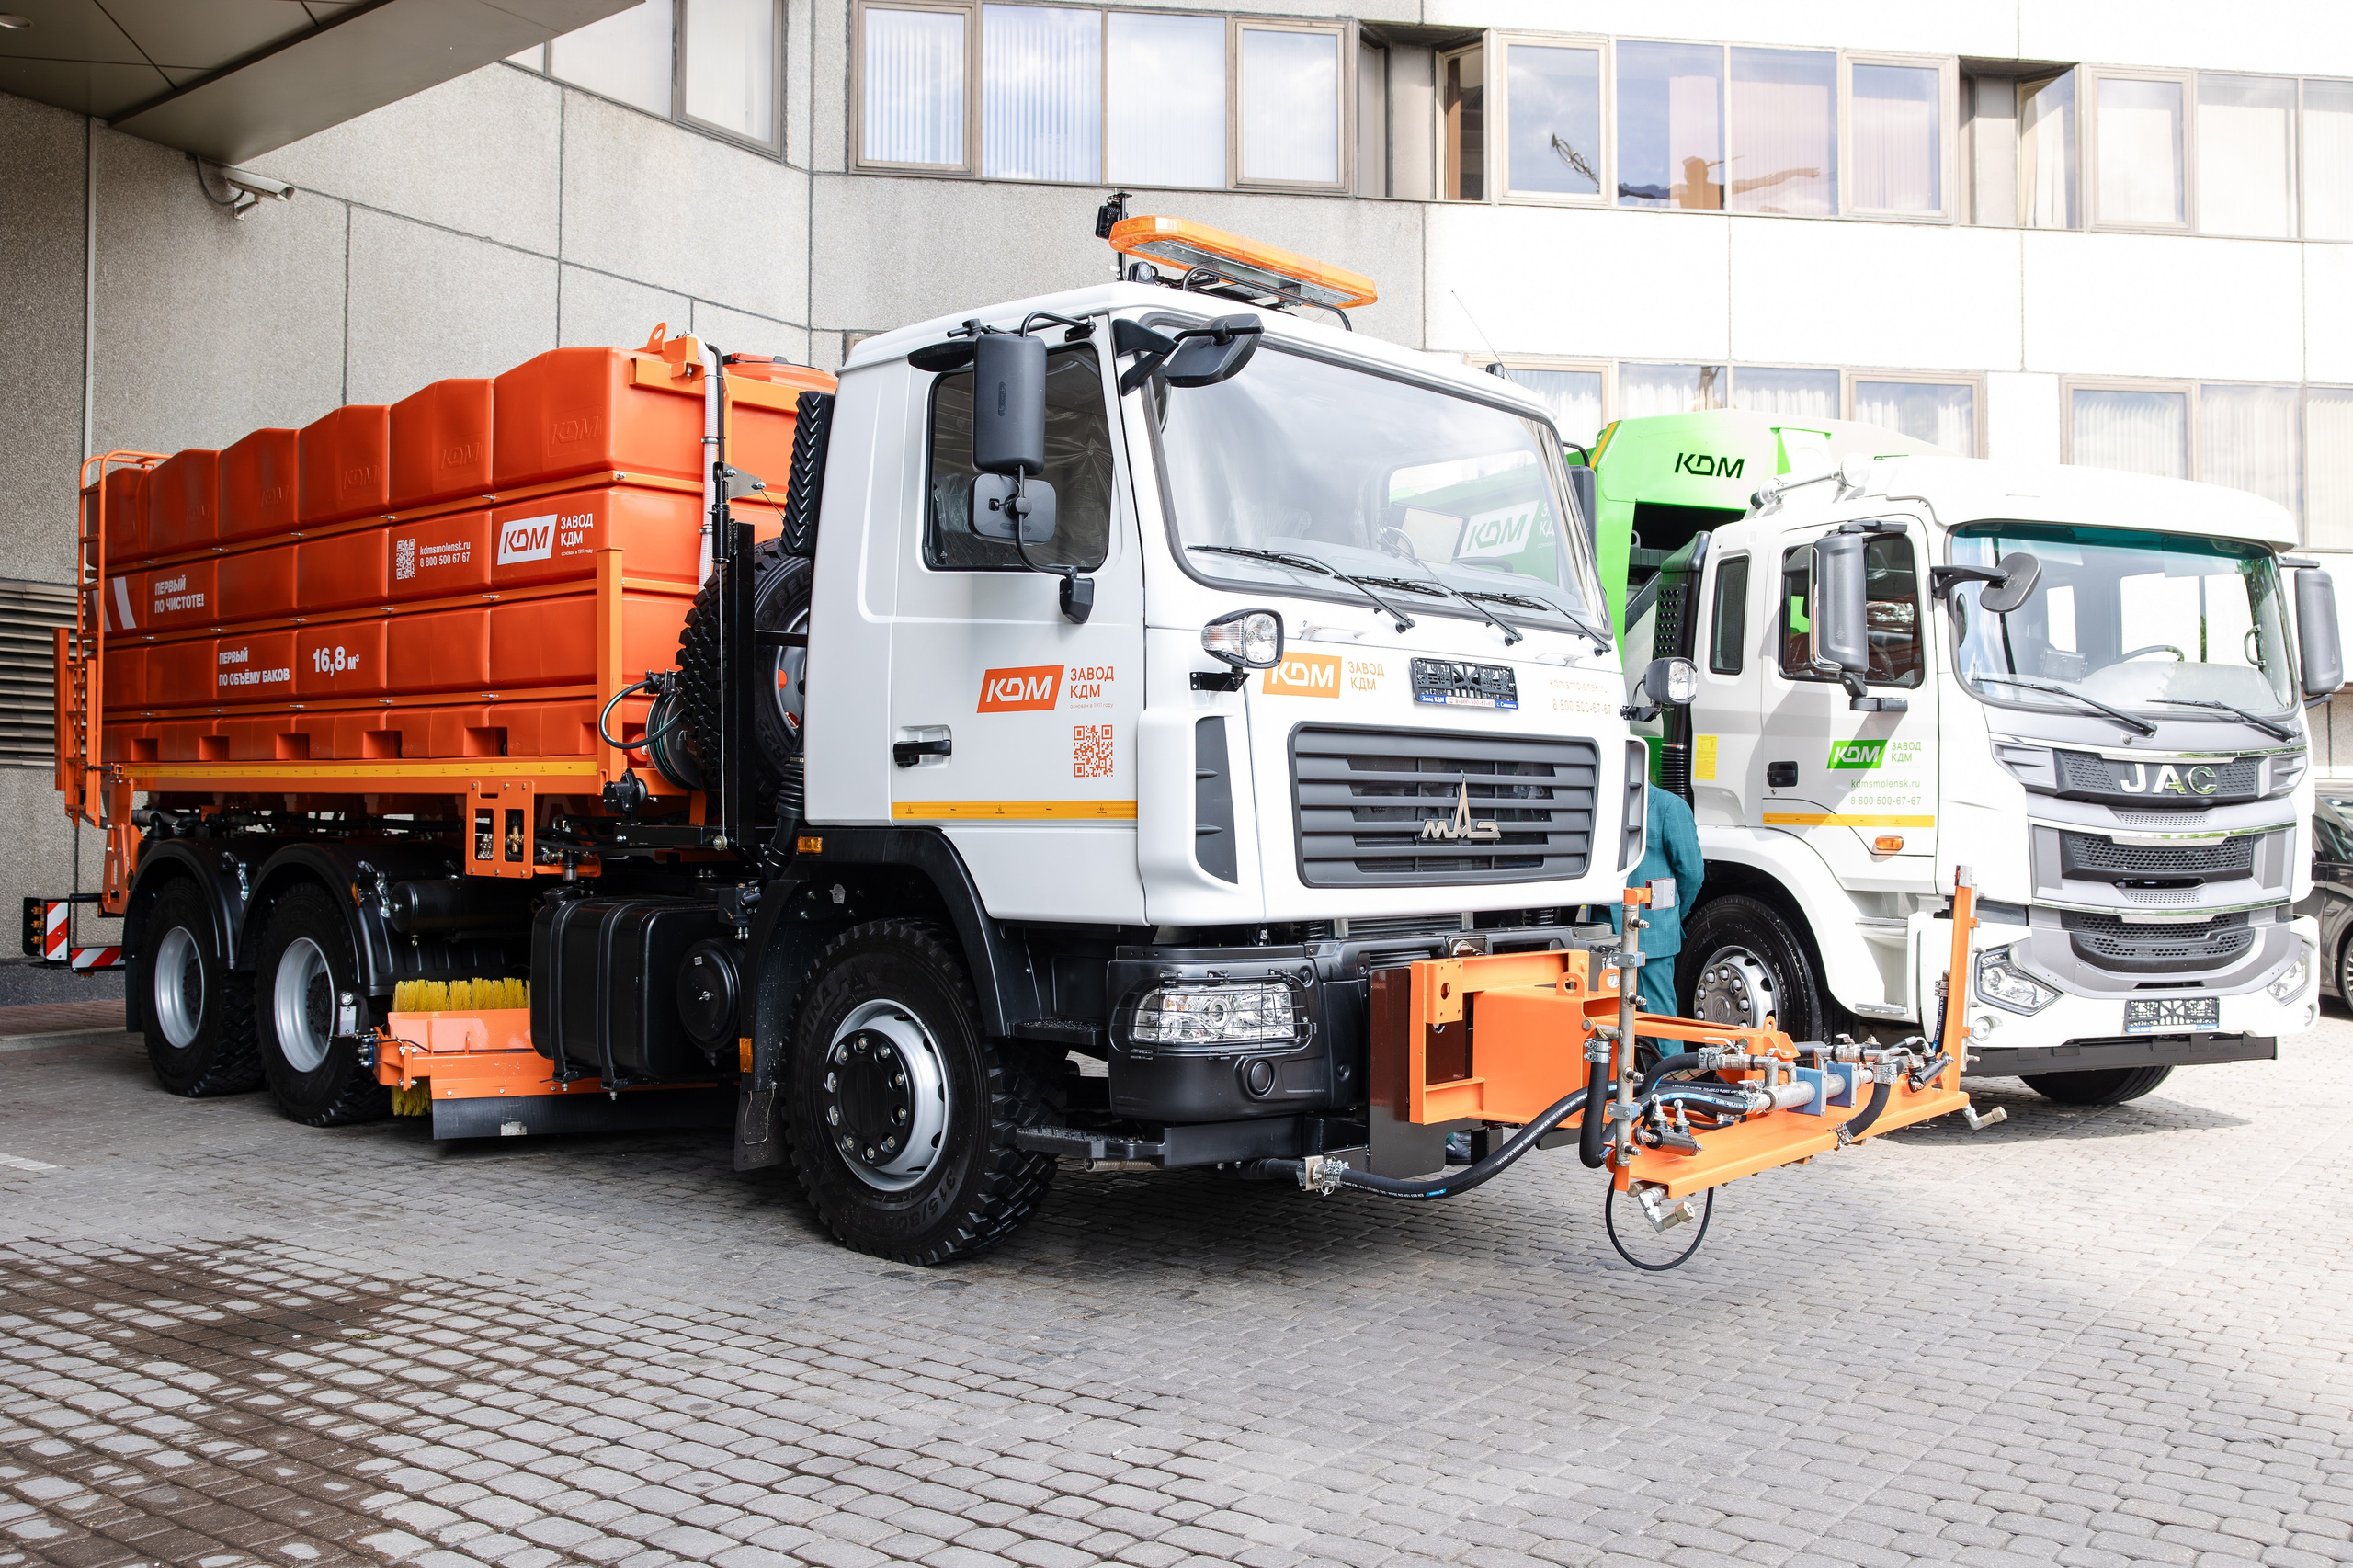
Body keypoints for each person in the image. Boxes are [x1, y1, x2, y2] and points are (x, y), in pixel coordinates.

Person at [1610, 782, 1705, 1021]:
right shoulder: (1602, 803)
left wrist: (1668, 917)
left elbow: (1692, 875)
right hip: (1602, 934)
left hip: (1649, 938)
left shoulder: (1669, 807)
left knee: (1659, 1027)